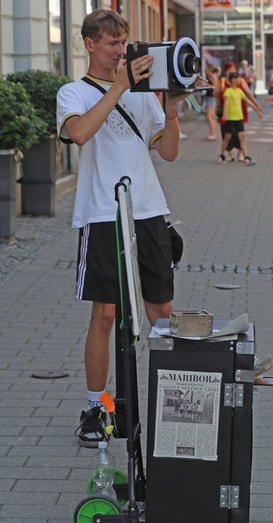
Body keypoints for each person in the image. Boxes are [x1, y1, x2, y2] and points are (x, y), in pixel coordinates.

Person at [56, 8, 190, 447]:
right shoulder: (72, 92)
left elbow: (169, 154)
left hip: (149, 210)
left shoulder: (140, 94)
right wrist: (118, 86)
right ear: (90, 44)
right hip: (102, 213)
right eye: (112, 43)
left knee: (162, 313)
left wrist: (169, 109)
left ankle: (175, 404)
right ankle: (97, 406)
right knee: (105, 313)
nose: (120, 50)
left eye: (123, 42)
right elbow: (79, 134)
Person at [215, 61, 261, 162]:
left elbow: (248, 95)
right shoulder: (222, 81)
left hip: (239, 111)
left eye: (232, 69)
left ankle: (242, 153)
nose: (230, 71)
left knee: (240, 134)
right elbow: (216, 94)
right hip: (226, 111)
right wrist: (220, 93)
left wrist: (257, 106)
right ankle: (228, 153)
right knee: (227, 134)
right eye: (228, 70)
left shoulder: (240, 81)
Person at [203, 64, 221, 140]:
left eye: (206, 68)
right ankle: (214, 134)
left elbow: (215, 86)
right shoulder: (210, 75)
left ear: (209, 69)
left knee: (209, 116)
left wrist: (206, 85)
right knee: (212, 116)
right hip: (211, 97)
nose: (204, 69)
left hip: (211, 97)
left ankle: (213, 134)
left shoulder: (212, 75)